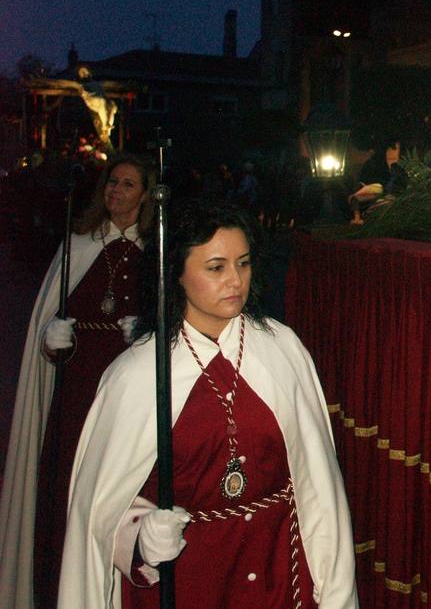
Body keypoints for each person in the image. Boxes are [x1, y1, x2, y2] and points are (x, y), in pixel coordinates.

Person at [59, 201, 357, 607]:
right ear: (176, 274)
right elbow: (98, 513)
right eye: (216, 267)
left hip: (277, 578)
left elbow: (319, 487)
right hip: (187, 584)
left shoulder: (282, 350)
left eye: (244, 263)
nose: (235, 280)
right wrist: (139, 535)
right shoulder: (137, 374)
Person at [0, 152, 154, 609]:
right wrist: (50, 336)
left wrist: (147, 329)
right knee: (68, 479)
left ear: (145, 196)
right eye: (112, 182)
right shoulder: (79, 244)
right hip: (77, 386)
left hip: (125, 389)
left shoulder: (155, 253)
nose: (115, 191)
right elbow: (47, 319)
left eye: (128, 185)